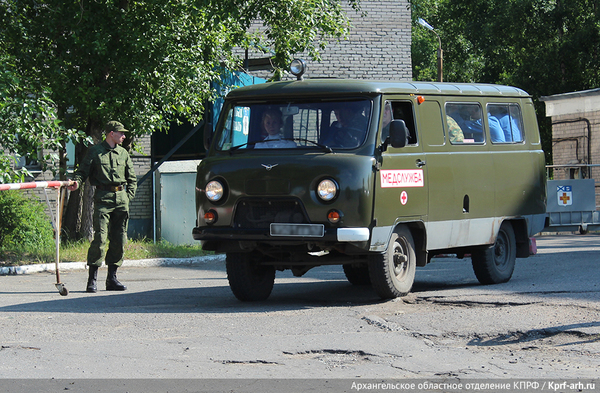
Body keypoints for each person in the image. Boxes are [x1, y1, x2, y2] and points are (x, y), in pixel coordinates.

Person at [68, 121, 137, 293]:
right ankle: (92, 280)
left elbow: (132, 179)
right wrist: (76, 182)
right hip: (103, 199)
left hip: (121, 200)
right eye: (121, 133)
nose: (124, 136)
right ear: (111, 133)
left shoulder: (123, 153)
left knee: (119, 240)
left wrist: (127, 198)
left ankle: (112, 279)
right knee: (100, 239)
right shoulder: (95, 152)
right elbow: (82, 172)